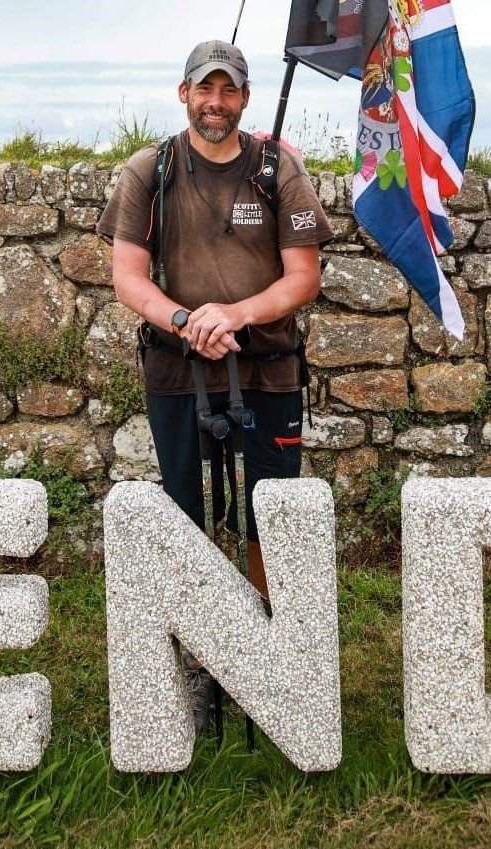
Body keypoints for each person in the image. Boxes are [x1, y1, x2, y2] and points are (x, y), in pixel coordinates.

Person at [97, 39, 332, 732]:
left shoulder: (276, 168)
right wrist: (185, 320)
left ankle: (267, 654)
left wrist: (233, 314)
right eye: (206, 89)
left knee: (272, 517)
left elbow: (303, 277)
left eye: (229, 91)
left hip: (268, 366)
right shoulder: (151, 169)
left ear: (246, 99)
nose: (216, 102)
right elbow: (128, 277)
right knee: (182, 514)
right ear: (184, 93)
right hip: (176, 370)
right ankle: (200, 662)